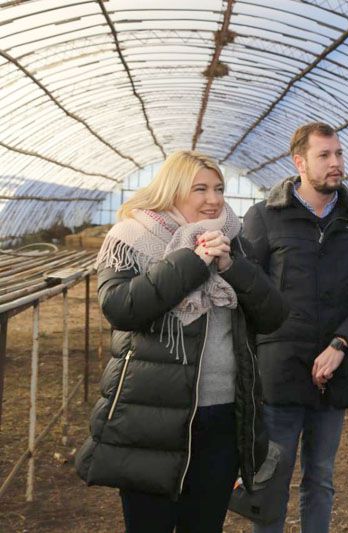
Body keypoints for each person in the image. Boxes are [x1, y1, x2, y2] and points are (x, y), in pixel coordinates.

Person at [75, 151, 288, 533]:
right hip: (150, 416)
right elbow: (121, 308)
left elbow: (273, 314)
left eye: (219, 188)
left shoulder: (234, 244)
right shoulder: (130, 238)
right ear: (173, 190)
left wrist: (229, 267)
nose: (214, 198)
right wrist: (193, 260)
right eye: (201, 189)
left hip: (222, 415)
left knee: (204, 525)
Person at [242, 122, 348, 532]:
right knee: (272, 480)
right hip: (279, 373)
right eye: (325, 155)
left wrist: (342, 342)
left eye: (339, 154)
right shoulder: (266, 217)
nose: (336, 163)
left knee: (321, 478)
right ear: (300, 162)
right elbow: (246, 292)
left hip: (335, 371)